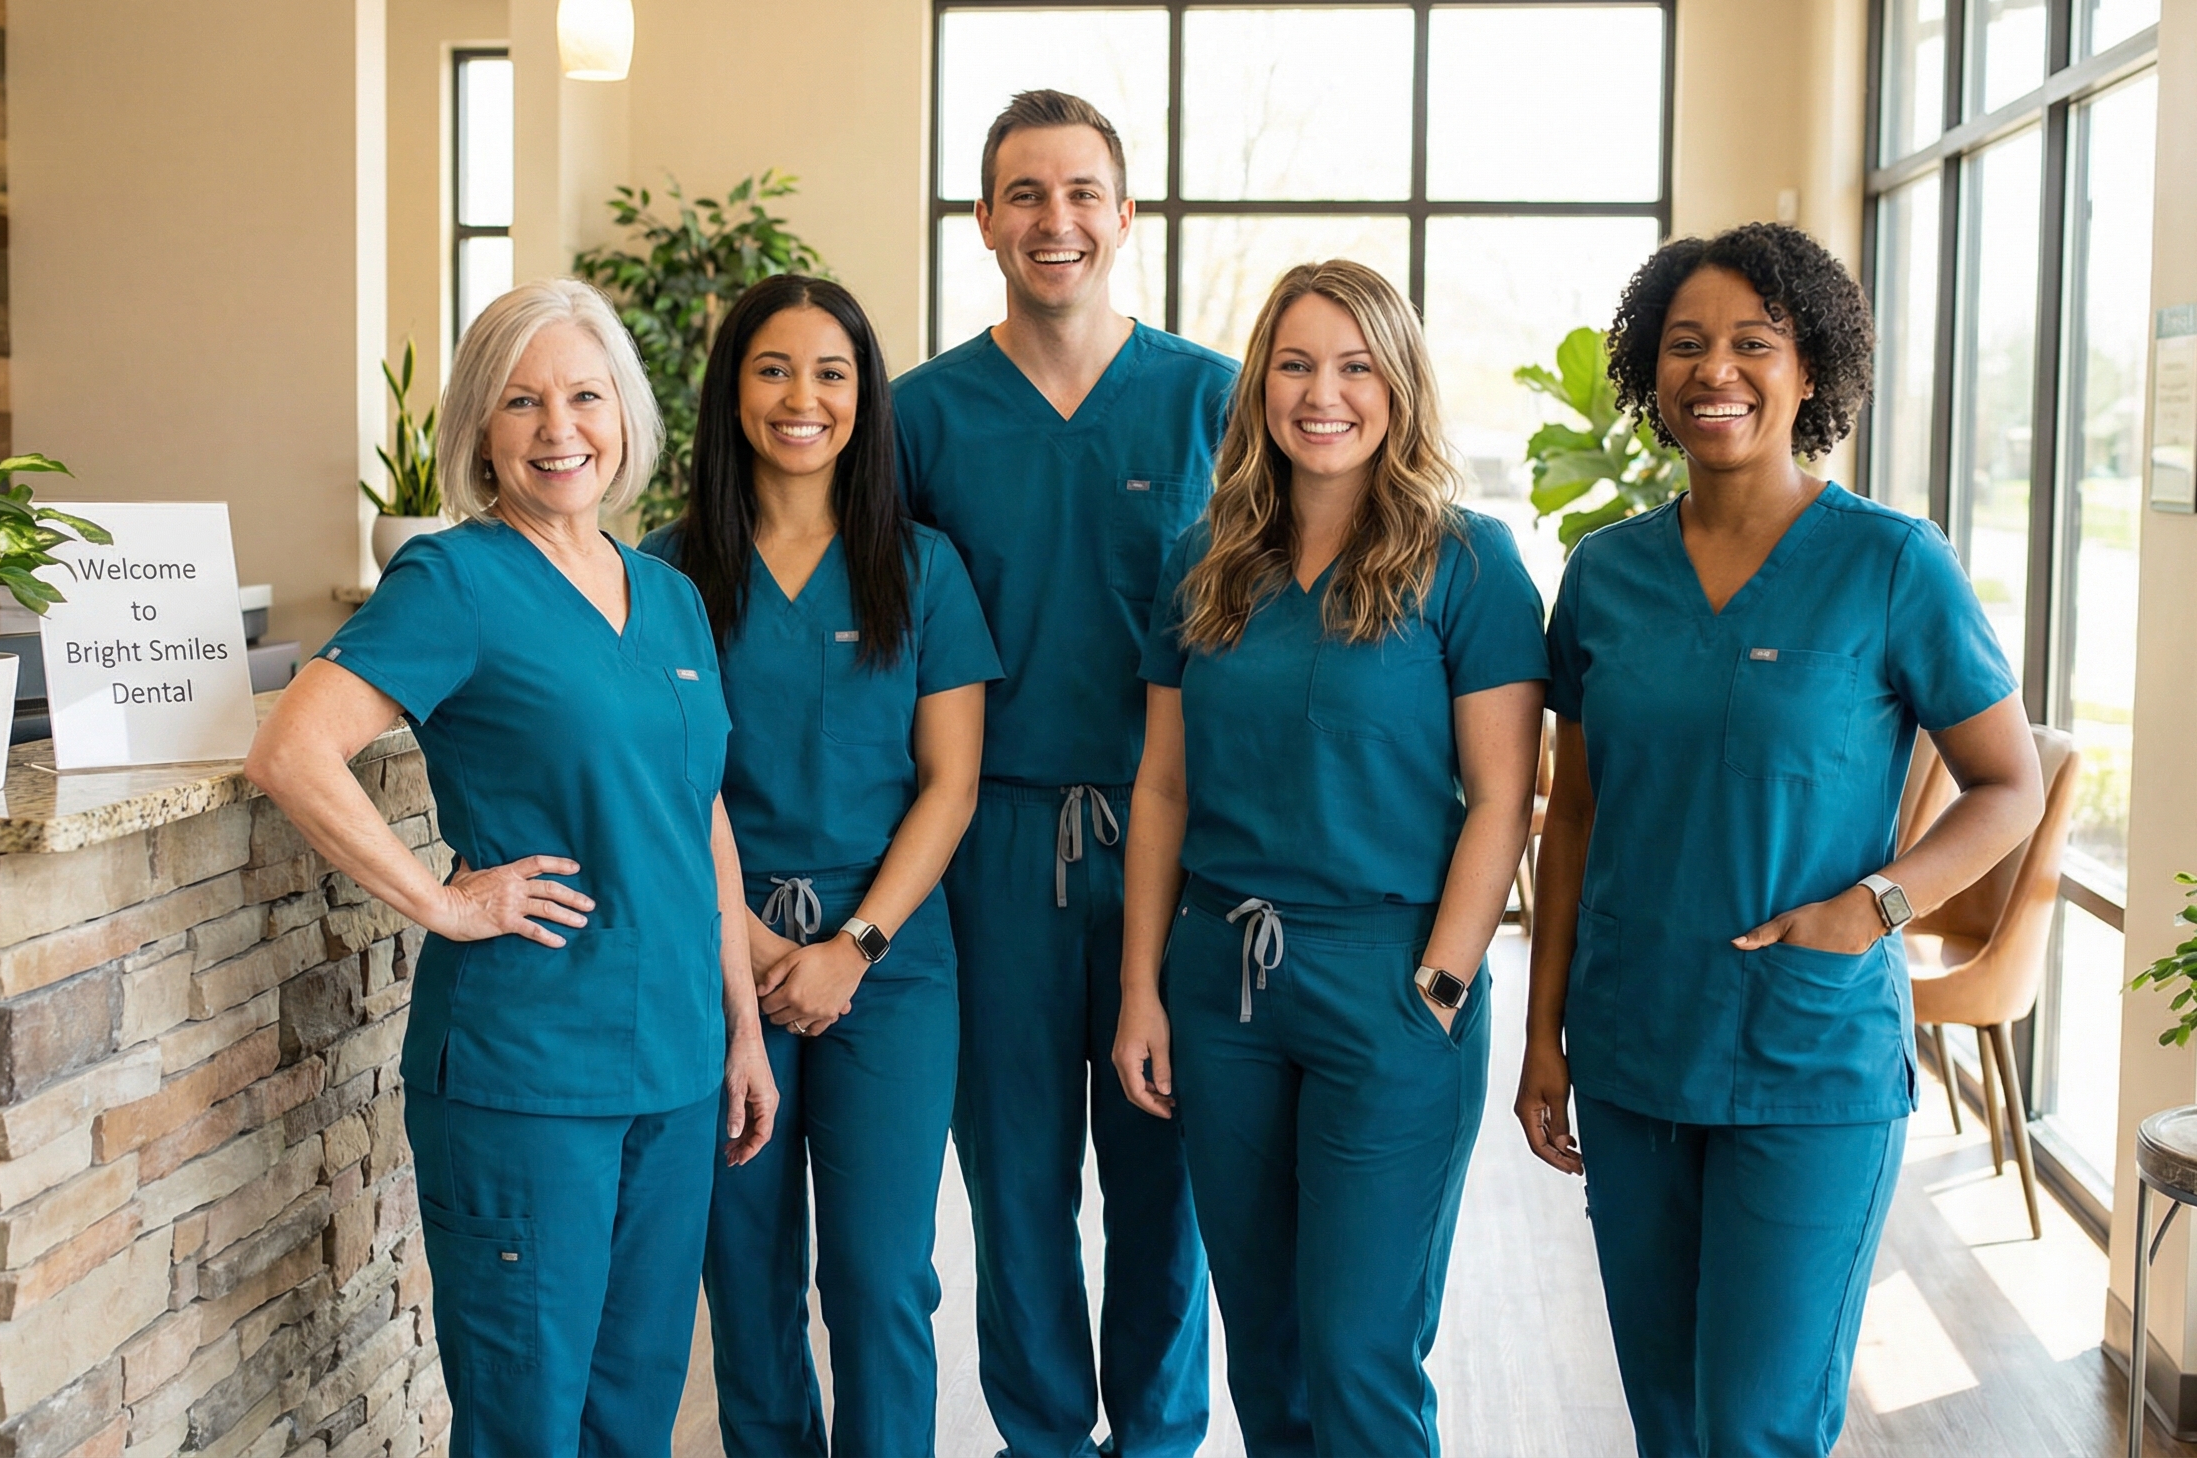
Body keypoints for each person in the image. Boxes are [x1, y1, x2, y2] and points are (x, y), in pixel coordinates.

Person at [1514, 223, 2046, 1458]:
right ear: (1650, 374)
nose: (1717, 370)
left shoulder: (1890, 564)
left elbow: (2007, 784)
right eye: (1684, 345)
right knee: (1669, 1421)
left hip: (1807, 1061)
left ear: (1811, 373)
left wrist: (1877, 906)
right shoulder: (1603, 576)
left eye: (1754, 344)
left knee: (1756, 1425)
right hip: (1636, 1044)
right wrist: (1543, 1033)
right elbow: (1574, 814)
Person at [245, 279, 777, 1458]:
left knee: (632, 1416)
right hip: (528, 1071)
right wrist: (440, 900)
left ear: (625, 415)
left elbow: (698, 817)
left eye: (585, 396)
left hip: (677, 1063)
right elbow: (291, 751)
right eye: (522, 401)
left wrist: (742, 1027)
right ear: (480, 430)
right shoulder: (454, 581)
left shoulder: (673, 597)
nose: (559, 428)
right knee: (528, 1424)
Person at [1110, 260, 1548, 1457]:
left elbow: (1502, 798)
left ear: (1398, 386)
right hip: (1223, 984)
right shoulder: (1205, 557)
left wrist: (1439, 985)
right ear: (1259, 386)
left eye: (1355, 367)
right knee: (1265, 1346)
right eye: (1296, 365)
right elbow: (1162, 787)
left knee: (1359, 1348)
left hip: (1389, 982)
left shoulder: (1468, 563)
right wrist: (1143, 988)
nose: (1323, 394)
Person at [893, 88, 1235, 1458]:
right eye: (1025, 194)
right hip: (991, 846)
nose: (1057, 219)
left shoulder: (1213, 400)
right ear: (983, 221)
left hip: (1179, 846)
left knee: (1167, 1177)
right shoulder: (919, 419)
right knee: (1015, 1183)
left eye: (1083, 191)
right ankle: (1040, 1435)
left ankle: (1154, 1438)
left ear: (1125, 214)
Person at [639, 276, 1001, 1457]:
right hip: (716, 959)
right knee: (744, 1277)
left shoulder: (921, 567)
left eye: (831, 373)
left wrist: (854, 947)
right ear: (731, 391)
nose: (803, 398)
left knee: (880, 1275)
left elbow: (950, 784)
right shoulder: (663, 575)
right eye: (773, 369)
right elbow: (663, 787)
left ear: (864, 396)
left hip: (889, 968)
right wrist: (749, 945)